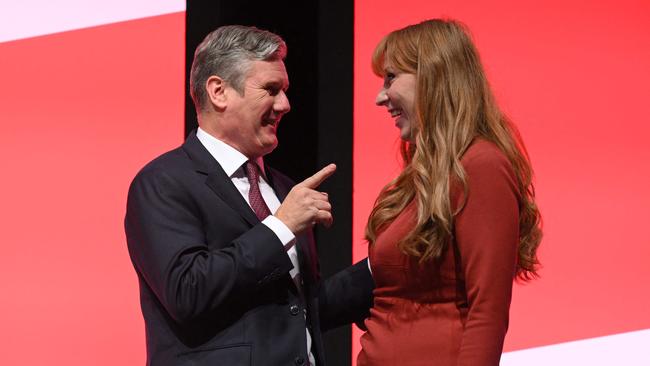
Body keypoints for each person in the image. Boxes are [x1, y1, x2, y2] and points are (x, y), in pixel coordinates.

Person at [125, 25, 374, 366]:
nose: (285, 104)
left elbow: (297, 309)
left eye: (284, 90)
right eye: (271, 90)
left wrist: (381, 269)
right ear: (219, 92)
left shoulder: (283, 188)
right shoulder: (163, 182)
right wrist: (281, 226)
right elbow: (187, 291)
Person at [357, 19, 542, 366]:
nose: (381, 96)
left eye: (391, 77)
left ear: (433, 77)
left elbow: (487, 311)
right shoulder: (424, 177)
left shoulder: (481, 165)